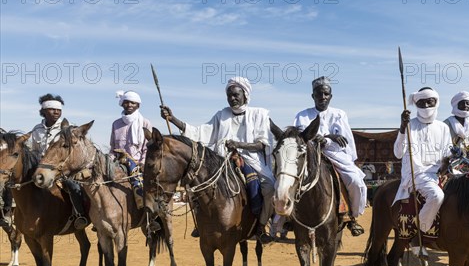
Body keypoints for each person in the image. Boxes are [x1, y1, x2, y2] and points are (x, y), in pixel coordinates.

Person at [160, 77, 275, 244]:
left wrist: (238, 144)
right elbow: (200, 132)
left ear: (245, 94)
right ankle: (202, 224)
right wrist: (173, 119)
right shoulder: (222, 115)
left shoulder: (260, 114)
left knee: (270, 187)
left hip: (251, 160)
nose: (232, 98)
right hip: (221, 160)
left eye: (236, 94)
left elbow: (262, 144)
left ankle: (261, 226)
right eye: (229, 95)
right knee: (196, 184)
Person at [294, 76, 367, 237]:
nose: (322, 97)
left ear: (331, 96)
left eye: (326, 94)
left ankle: (352, 217)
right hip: (310, 155)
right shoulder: (302, 115)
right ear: (313, 96)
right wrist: (328, 136)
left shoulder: (339, 114)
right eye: (319, 94)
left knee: (356, 181)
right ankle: (285, 219)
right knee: (288, 179)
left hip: (334, 154)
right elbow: (302, 137)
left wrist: (326, 139)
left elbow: (344, 139)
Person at [393, 87, 453, 253]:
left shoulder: (443, 127)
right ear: (416, 103)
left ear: (436, 102)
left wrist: (449, 162)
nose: (426, 105)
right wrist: (402, 128)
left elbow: (447, 153)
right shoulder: (409, 125)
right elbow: (398, 153)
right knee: (437, 195)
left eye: (430, 101)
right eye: (422, 102)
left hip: (439, 173)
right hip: (416, 173)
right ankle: (418, 235)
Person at [29, 94, 88, 229]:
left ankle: (80, 215)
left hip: (62, 168)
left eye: (59, 110)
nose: (56, 112)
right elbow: (35, 151)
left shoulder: (69, 128)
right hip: (43, 167)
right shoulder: (37, 129)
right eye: (52, 109)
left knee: (72, 185)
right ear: (43, 112)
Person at [110, 90, 152, 209]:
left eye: (133, 103)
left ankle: (147, 214)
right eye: (126, 102)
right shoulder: (116, 124)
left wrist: (143, 163)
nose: (129, 105)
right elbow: (113, 147)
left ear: (138, 105)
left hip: (137, 163)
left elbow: (147, 148)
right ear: (122, 104)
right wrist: (109, 161)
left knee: (139, 185)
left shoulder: (145, 123)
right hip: (118, 162)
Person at [443, 91, 469, 164]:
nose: (465, 105)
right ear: (456, 105)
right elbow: (441, 146)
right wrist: (454, 152)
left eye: (468, 103)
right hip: (451, 164)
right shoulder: (446, 124)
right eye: (462, 103)